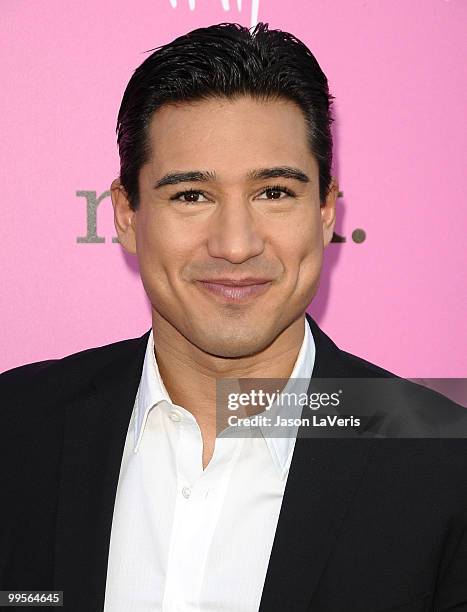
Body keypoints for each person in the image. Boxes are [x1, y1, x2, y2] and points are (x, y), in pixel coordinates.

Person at [1, 22, 466, 612]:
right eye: (191, 195)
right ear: (124, 214)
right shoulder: (16, 429)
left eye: (274, 192)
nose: (237, 244)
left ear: (325, 211)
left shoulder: (443, 465)